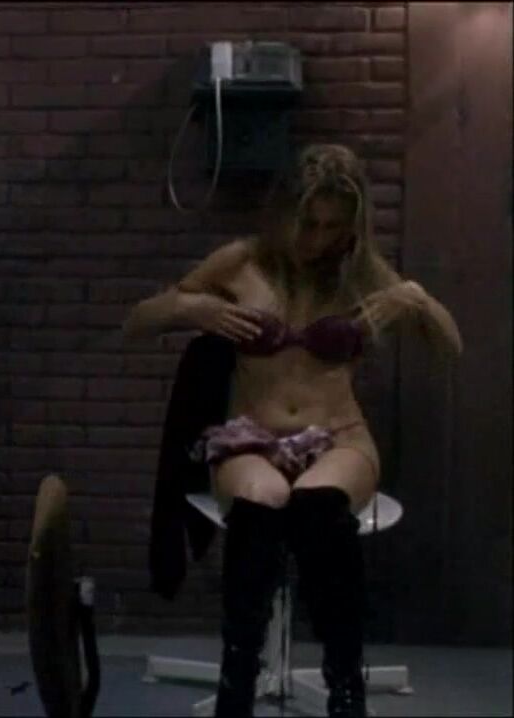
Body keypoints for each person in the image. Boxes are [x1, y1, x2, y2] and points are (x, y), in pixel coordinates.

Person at [123, 143, 462, 717]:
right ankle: (236, 688)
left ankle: (345, 689)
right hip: (251, 437)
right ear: (285, 212)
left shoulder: (360, 275)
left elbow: (451, 347)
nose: (318, 240)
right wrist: (190, 309)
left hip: (338, 435)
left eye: (334, 227)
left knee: (318, 506)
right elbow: (138, 322)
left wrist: (417, 300)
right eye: (309, 223)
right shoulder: (240, 263)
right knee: (263, 502)